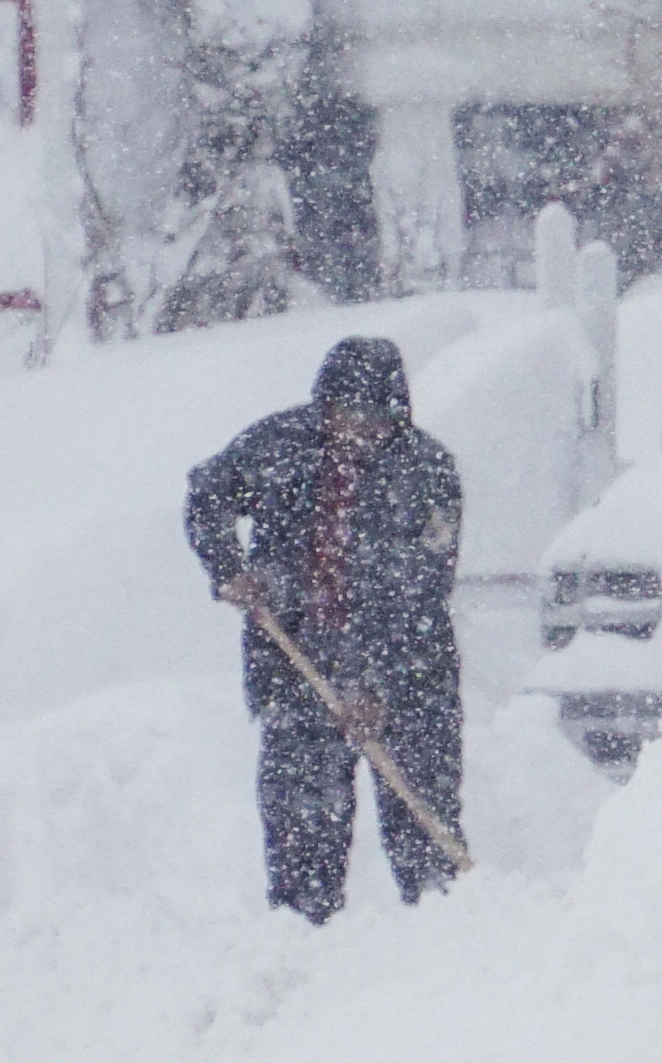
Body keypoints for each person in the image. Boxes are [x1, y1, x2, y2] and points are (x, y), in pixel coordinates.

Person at [184, 335, 466, 921]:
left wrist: (375, 687)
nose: (358, 431)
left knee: (427, 841)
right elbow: (206, 495)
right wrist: (229, 569)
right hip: (296, 670)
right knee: (301, 842)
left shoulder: (427, 474)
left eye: (374, 419)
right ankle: (304, 957)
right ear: (325, 405)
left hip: (409, 686)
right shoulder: (279, 448)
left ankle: (449, 955)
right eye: (346, 414)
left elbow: (418, 593)